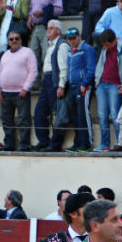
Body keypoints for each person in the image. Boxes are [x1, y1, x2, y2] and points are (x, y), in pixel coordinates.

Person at [0, 29, 37, 152]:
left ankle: (24, 145)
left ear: (21, 40)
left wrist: (26, 88)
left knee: (24, 120)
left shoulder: (28, 52)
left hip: (21, 93)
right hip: (5, 93)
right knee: (7, 120)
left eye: (16, 38)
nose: (14, 41)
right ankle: (9, 144)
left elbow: (33, 71)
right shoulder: (5, 54)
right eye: (11, 39)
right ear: (8, 41)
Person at [33, 19, 70, 151]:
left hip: (55, 81)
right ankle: (44, 141)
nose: (48, 30)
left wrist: (61, 85)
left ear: (58, 31)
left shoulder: (62, 45)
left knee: (57, 114)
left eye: (51, 28)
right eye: (48, 27)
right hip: (47, 81)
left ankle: (55, 144)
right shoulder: (49, 45)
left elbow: (64, 67)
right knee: (39, 113)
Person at [27, 0, 63, 84]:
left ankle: (47, 81)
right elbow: (31, 9)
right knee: (33, 55)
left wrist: (43, 12)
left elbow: (59, 9)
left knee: (47, 54)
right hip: (35, 27)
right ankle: (35, 82)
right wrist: (29, 18)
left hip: (47, 27)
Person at [64, 27, 97, 153]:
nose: (72, 41)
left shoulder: (87, 49)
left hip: (83, 86)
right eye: (69, 39)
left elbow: (91, 68)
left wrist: (85, 83)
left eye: (74, 38)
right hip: (72, 86)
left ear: (79, 36)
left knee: (83, 114)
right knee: (74, 116)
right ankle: (77, 142)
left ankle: (87, 143)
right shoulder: (69, 51)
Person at [94, 28, 122, 152]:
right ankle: (104, 143)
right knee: (102, 116)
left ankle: (120, 142)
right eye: (104, 45)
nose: (106, 47)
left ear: (114, 41)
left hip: (115, 85)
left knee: (115, 114)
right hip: (102, 84)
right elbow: (94, 34)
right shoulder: (103, 48)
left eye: (108, 44)